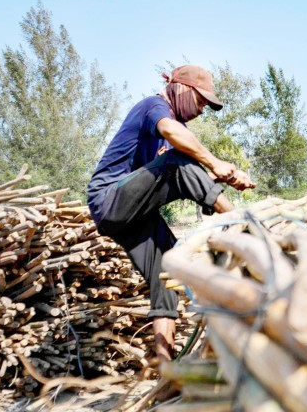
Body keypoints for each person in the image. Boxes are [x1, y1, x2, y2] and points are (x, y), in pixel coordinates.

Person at [87, 64, 255, 362]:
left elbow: (185, 173)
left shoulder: (180, 135)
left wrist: (222, 175)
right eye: (200, 101)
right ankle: (241, 223)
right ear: (180, 88)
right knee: (178, 161)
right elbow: (173, 144)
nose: (202, 109)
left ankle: (165, 365)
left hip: (135, 214)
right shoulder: (154, 107)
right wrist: (214, 163)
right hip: (109, 199)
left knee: (166, 271)